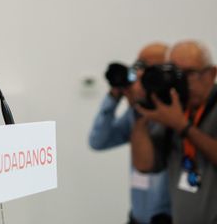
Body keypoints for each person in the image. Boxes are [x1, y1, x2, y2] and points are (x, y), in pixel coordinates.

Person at [132, 40, 217, 223]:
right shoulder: (175, 112)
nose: (180, 81)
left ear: (211, 73)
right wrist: (142, 111)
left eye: (188, 73)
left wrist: (183, 127)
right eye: (173, 73)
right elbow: (144, 165)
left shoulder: (181, 118)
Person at [88, 43, 172, 224]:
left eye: (147, 69)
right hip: (136, 217)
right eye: (138, 67)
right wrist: (114, 96)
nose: (139, 75)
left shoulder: (175, 116)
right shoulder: (135, 113)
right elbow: (98, 141)